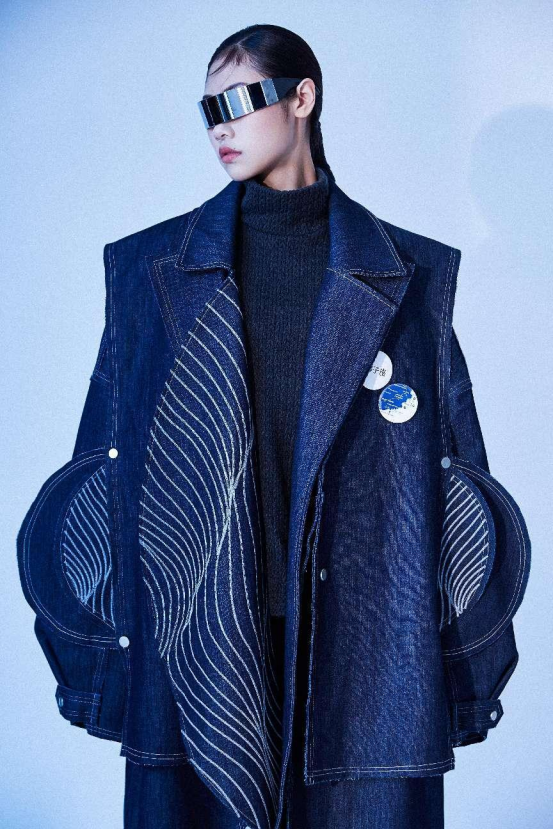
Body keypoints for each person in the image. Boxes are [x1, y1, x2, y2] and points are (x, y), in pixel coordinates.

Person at [16, 23, 531, 830]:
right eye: (208, 109)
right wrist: (96, 666)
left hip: (368, 650)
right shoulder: (150, 271)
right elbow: (102, 471)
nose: (220, 126)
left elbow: (457, 481)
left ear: (302, 98)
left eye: (241, 100)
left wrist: (466, 675)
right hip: (196, 639)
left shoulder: (410, 272)